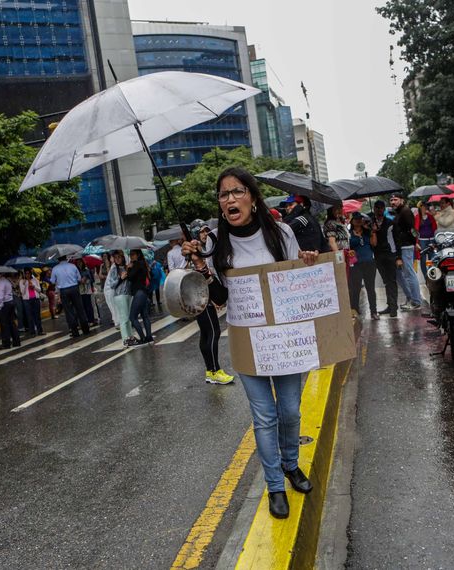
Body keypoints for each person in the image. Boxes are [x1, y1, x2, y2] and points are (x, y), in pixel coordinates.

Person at [181, 166, 319, 520]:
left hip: (283, 339)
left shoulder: (281, 233)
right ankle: (275, 486)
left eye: (237, 191)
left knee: (290, 411)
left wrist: (307, 263)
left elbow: (297, 281)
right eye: (223, 194)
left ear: (253, 198)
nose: (230, 199)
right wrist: (201, 266)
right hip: (247, 340)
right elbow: (219, 298)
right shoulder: (215, 243)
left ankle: (290, 464)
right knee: (264, 416)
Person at [189, 220, 234, 384]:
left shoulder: (204, 249)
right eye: (201, 231)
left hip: (201, 297)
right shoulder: (192, 252)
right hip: (201, 298)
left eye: (206, 231)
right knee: (213, 332)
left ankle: (210, 371)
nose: (205, 234)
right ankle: (215, 370)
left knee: (206, 333)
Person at [390, 193, 423, 310]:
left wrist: (414, 242)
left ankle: (416, 301)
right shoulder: (399, 212)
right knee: (400, 274)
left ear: (402, 200)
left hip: (405, 247)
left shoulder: (405, 211)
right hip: (400, 247)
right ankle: (411, 298)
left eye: (395, 199)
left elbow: (412, 229)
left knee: (409, 274)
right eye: (391, 200)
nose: (393, 202)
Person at [370, 200, 400, 317]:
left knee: (391, 281)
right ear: (374, 209)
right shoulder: (370, 222)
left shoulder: (390, 222)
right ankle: (390, 305)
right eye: (377, 207)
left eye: (381, 207)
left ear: (384, 209)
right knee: (386, 281)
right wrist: (372, 230)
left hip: (390, 254)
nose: (379, 209)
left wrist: (398, 257)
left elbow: (397, 240)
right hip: (378, 255)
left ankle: (393, 307)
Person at [50, 255, 90, 338]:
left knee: (69, 311)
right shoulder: (73, 266)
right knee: (80, 309)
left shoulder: (55, 268)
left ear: (58, 259)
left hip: (64, 290)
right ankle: (85, 329)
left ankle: (75, 331)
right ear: (66, 258)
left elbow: (52, 281)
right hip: (74, 288)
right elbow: (79, 278)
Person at [348, 213, 379, 319]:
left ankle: (374, 311)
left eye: (360, 219)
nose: (358, 221)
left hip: (369, 263)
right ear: (352, 221)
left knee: (370, 288)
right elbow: (347, 248)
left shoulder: (367, 232)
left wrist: (373, 232)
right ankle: (355, 310)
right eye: (356, 219)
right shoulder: (348, 234)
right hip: (356, 264)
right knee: (355, 289)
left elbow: (374, 244)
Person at [124, 249, 154, 346]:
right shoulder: (142, 263)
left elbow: (130, 277)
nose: (131, 256)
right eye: (130, 254)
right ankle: (149, 337)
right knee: (145, 315)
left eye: (133, 254)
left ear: (138, 255)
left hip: (139, 293)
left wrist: (128, 268)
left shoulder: (137, 264)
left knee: (132, 317)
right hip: (143, 292)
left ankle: (143, 338)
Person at [106, 250, 134, 345]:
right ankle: (125, 339)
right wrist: (120, 278)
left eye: (119, 257)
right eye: (115, 258)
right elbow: (112, 285)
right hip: (119, 295)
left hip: (128, 294)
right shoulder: (114, 269)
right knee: (123, 318)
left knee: (129, 318)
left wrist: (129, 269)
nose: (117, 259)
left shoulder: (127, 267)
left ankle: (130, 336)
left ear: (123, 257)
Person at [0, 272, 21, 348]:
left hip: (5, 304)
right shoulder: (7, 280)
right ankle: (16, 341)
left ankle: (6, 343)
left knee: (4, 324)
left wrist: (0, 305)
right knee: (11, 323)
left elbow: (1, 293)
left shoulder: (1, 281)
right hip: (10, 302)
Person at [20, 269, 45, 336]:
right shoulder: (22, 281)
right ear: (24, 274)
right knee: (29, 316)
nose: (27, 275)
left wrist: (33, 286)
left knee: (37, 316)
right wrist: (24, 284)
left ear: (31, 274)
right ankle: (32, 332)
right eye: (26, 273)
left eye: (28, 273)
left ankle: (40, 331)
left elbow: (39, 290)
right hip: (27, 301)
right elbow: (22, 292)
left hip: (35, 299)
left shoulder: (35, 280)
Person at [415, 202, 437, 269]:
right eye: (424, 206)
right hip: (422, 241)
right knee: (423, 259)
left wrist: (434, 215)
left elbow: (435, 227)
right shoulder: (417, 217)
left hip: (431, 240)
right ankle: (425, 274)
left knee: (431, 258)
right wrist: (416, 242)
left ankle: (430, 272)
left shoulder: (430, 216)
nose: (425, 208)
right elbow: (415, 230)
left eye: (426, 206)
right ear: (420, 207)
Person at [77, 260, 98, 326]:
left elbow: (92, 280)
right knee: (83, 307)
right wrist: (79, 281)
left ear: (82, 263)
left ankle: (91, 320)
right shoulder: (76, 271)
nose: (79, 264)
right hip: (80, 291)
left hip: (87, 290)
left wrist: (86, 279)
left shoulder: (87, 270)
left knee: (89, 305)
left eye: (80, 262)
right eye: (78, 263)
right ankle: (87, 320)